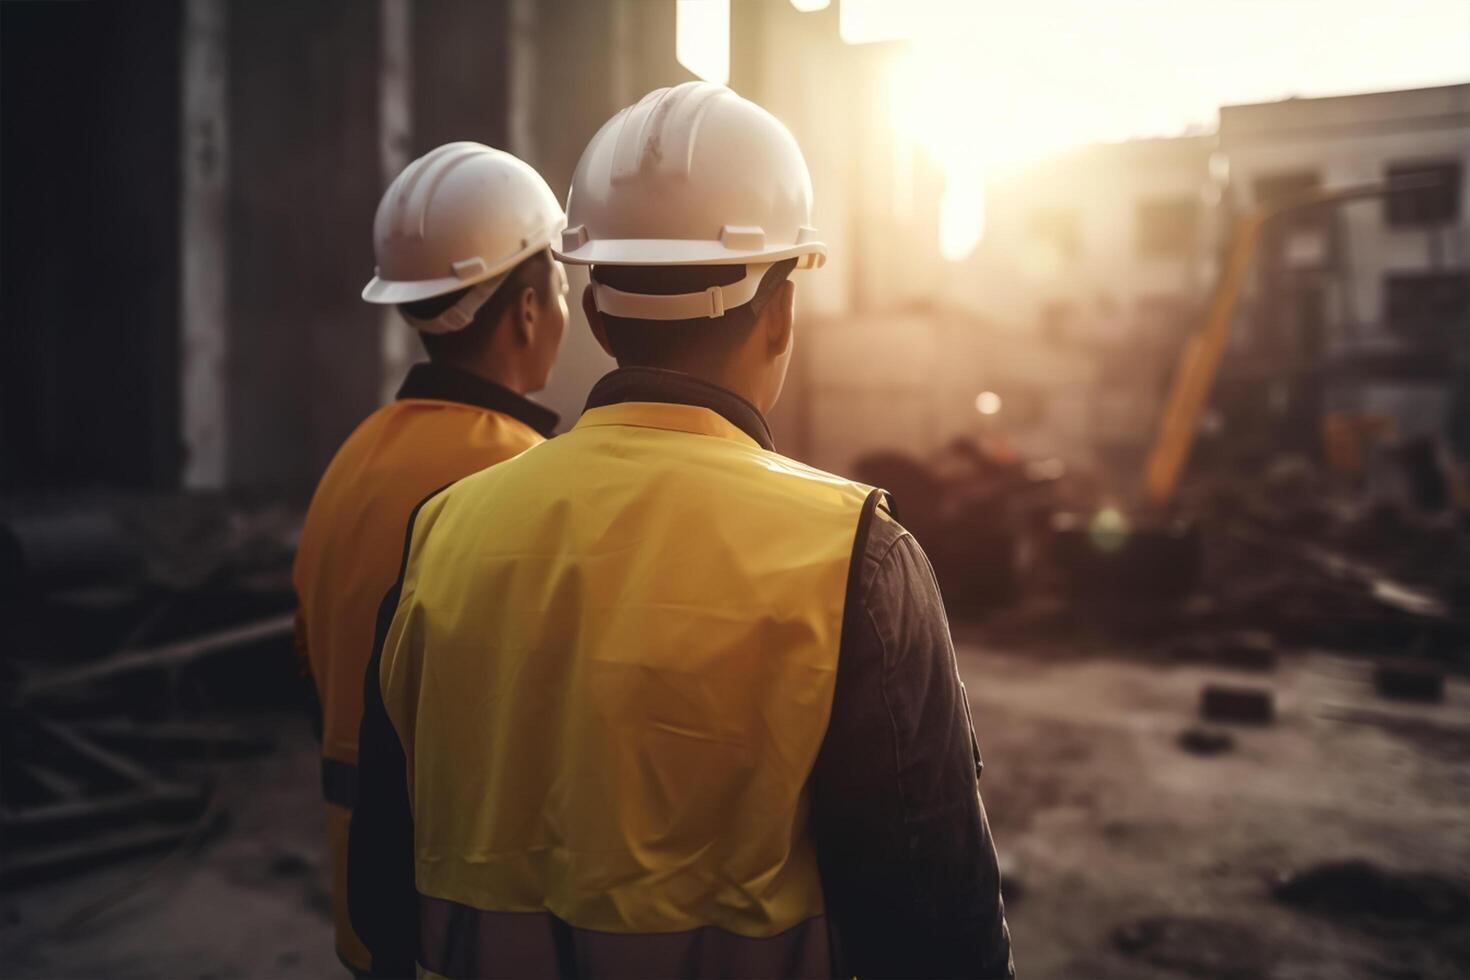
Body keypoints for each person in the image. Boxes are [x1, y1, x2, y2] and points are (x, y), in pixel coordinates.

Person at [351, 83, 1013, 978]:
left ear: (593, 311)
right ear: (780, 314)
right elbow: (936, 932)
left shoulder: (441, 535)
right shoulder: (855, 559)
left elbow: (381, 903)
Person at [292, 141, 568, 976]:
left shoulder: (350, 464)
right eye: (558, 283)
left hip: (364, 914)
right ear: (526, 310)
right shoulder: (522, 479)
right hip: (479, 922)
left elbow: (313, 672)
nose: (562, 306)